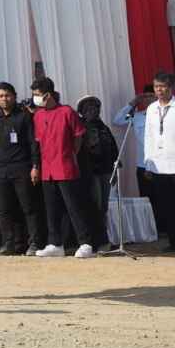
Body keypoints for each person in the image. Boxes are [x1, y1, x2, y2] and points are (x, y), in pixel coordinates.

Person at [30, 78, 96, 259]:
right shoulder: (38, 115)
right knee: (51, 208)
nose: (35, 98)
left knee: (74, 207)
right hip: (47, 169)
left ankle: (85, 243)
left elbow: (78, 137)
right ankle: (55, 243)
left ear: (47, 94)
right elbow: (37, 142)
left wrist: (70, 154)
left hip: (65, 166)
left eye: (37, 94)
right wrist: (36, 166)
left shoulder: (67, 111)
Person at [0, 83, 42, 255]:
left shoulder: (24, 116)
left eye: (7, 95)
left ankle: (34, 243)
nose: (4, 99)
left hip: (21, 168)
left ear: (14, 96)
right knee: (4, 209)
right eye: (0, 96)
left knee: (28, 207)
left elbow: (32, 143)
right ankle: (9, 243)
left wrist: (35, 166)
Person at [142, 72, 175, 252]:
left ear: (170, 87)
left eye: (163, 86)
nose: (159, 90)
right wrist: (148, 163)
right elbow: (148, 137)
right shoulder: (151, 109)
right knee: (168, 207)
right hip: (159, 166)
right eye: (156, 86)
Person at [76, 96, 117, 249]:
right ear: (82, 111)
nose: (93, 110)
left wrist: (115, 163)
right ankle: (96, 241)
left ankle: (103, 239)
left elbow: (113, 148)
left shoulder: (103, 127)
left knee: (104, 207)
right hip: (90, 173)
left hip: (105, 171)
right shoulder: (80, 128)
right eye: (89, 108)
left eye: (96, 107)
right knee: (95, 206)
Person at [112, 84, 154, 212]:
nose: (148, 99)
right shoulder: (137, 116)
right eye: (145, 96)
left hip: (162, 164)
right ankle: (154, 229)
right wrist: (133, 103)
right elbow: (117, 120)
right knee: (147, 199)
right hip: (142, 165)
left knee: (164, 198)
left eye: (151, 96)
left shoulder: (165, 115)